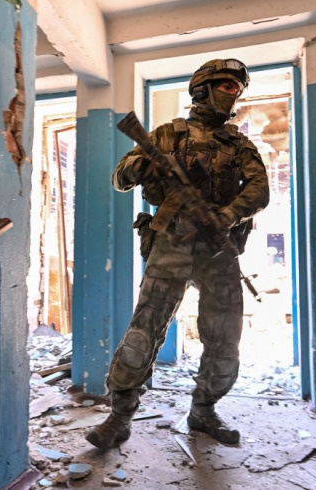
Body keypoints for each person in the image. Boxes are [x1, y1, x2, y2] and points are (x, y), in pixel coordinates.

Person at [86, 59, 270, 449]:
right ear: (203, 88)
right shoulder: (166, 135)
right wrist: (143, 165)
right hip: (171, 243)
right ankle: (119, 417)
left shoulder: (239, 144)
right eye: (227, 86)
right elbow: (119, 179)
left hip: (218, 248)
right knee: (144, 332)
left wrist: (226, 216)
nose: (233, 94)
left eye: (238, 89)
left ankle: (203, 412)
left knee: (224, 338)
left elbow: (259, 191)